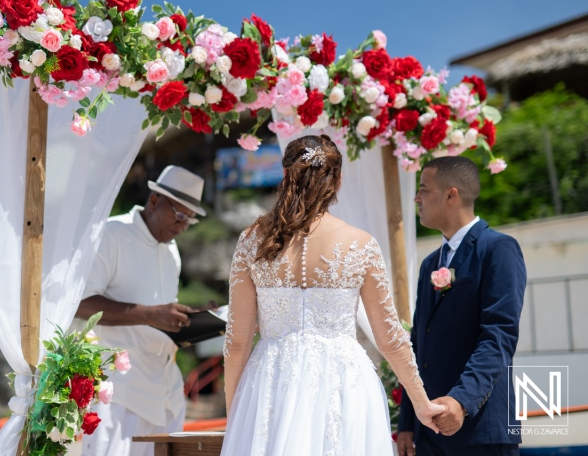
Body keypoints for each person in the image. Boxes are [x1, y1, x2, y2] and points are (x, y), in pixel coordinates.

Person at [221, 135, 445, 455]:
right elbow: (390, 338)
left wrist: (236, 414)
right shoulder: (361, 244)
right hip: (344, 384)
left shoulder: (252, 241)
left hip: (271, 382)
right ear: (337, 182)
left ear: (285, 176)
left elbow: (238, 341)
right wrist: (422, 404)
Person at [396, 156, 527, 456]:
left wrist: (461, 401)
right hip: (429, 433)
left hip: (481, 431)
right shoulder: (431, 263)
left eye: (424, 189)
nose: (417, 198)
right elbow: (418, 345)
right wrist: (407, 421)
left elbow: (499, 337)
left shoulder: (498, 249)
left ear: (451, 195)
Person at [75, 165, 205, 456]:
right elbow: (79, 304)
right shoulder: (111, 234)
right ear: (155, 200)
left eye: (190, 220)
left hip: (167, 391)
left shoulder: (171, 250)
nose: (183, 225)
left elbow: (159, 310)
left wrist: (193, 318)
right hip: (120, 392)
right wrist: (150, 314)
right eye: (180, 215)